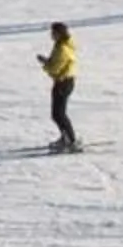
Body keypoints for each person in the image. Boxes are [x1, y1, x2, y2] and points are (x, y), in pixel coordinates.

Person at [38, 20, 80, 151]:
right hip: (63, 81)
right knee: (57, 114)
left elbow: (55, 68)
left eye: (53, 33)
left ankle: (70, 139)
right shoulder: (61, 45)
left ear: (59, 34)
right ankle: (66, 137)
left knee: (58, 114)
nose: (51, 35)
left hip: (63, 82)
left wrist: (45, 64)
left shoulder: (62, 48)